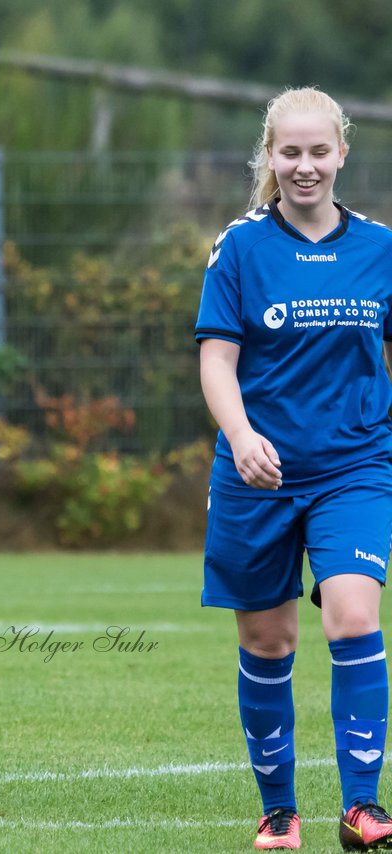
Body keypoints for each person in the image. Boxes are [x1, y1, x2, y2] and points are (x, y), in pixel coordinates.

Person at [196, 87, 392, 851]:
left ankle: (363, 807)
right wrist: (241, 435)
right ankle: (279, 810)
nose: (304, 167)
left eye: (318, 152)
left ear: (343, 153)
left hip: (355, 467)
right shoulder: (240, 247)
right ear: (268, 159)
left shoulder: (380, 248)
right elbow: (216, 358)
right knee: (269, 643)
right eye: (289, 153)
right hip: (257, 476)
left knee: (353, 614)